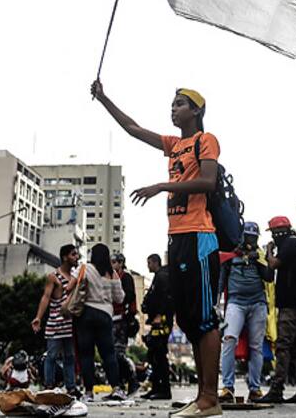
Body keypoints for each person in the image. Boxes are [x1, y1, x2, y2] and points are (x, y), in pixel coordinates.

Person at [92, 81, 222, 417]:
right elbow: (133, 128)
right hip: (177, 238)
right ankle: (201, 398)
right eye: (172, 104)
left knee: (205, 318)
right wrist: (104, 98)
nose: (173, 108)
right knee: (189, 319)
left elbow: (209, 181)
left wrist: (162, 185)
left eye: (180, 103)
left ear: (196, 110)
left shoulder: (205, 140)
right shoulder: (174, 145)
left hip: (199, 236)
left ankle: (210, 398)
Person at [257, 216, 296, 404]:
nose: (273, 237)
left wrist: (269, 251)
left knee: (283, 346)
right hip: (294, 303)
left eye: (273, 233)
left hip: (291, 304)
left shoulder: (290, 244)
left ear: (278, 232)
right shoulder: (294, 243)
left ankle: (277, 389)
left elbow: (273, 264)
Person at [218, 221, 269, 402]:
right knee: (229, 340)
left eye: (253, 238)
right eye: (248, 237)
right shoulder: (230, 255)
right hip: (236, 302)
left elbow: (269, 277)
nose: (250, 241)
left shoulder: (259, 255)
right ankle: (227, 387)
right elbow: (221, 281)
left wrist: (264, 258)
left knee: (256, 346)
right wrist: (216, 304)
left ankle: (255, 388)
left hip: (258, 303)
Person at [66, 243, 125, 402]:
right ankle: (116, 388)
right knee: (109, 353)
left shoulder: (84, 268)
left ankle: (88, 393)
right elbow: (120, 298)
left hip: (85, 314)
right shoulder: (112, 274)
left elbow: (69, 287)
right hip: (105, 315)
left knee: (86, 355)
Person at [32, 244, 79, 394]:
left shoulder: (75, 278)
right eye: (73, 254)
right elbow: (46, 297)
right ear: (65, 257)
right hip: (55, 324)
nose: (76, 257)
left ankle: (71, 387)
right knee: (51, 356)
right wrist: (38, 317)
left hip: (70, 325)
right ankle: (49, 387)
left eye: (77, 254)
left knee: (69, 357)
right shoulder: (54, 276)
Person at [140, 253, 173, 400]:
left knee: (159, 354)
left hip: (162, 321)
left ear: (155, 262)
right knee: (153, 354)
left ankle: (164, 389)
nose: (148, 266)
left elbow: (165, 298)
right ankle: (155, 388)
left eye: (149, 263)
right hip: (156, 320)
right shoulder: (158, 277)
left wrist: (159, 314)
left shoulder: (163, 277)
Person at [111, 252, 139, 394]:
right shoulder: (113, 277)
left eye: (114, 262)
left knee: (119, 353)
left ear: (121, 263)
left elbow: (129, 296)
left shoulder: (125, 277)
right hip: (112, 317)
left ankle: (132, 379)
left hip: (122, 319)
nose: (112, 265)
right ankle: (120, 384)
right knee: (113, 354)